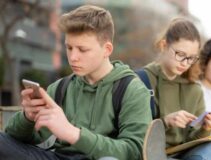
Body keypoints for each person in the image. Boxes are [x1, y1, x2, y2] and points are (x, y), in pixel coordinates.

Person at [0, 5, 152, 160]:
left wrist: (73, 134)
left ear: (107, 49)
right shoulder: (60, 87)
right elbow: (15, 138)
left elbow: (134, 151)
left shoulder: (133, 90)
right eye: (69, 47)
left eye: (82, 49)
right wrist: (27, 117)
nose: (73, 57)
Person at [138, 18, 211, 160]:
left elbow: (193, 141)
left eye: (191, 58)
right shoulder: (140, 80)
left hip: (185, 155)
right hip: (151, 155)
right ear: (164, 46)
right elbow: (133, 135)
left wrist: (206, 128)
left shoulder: (194, 89)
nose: (185, 63)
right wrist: (165, 122)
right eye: (180, 55)